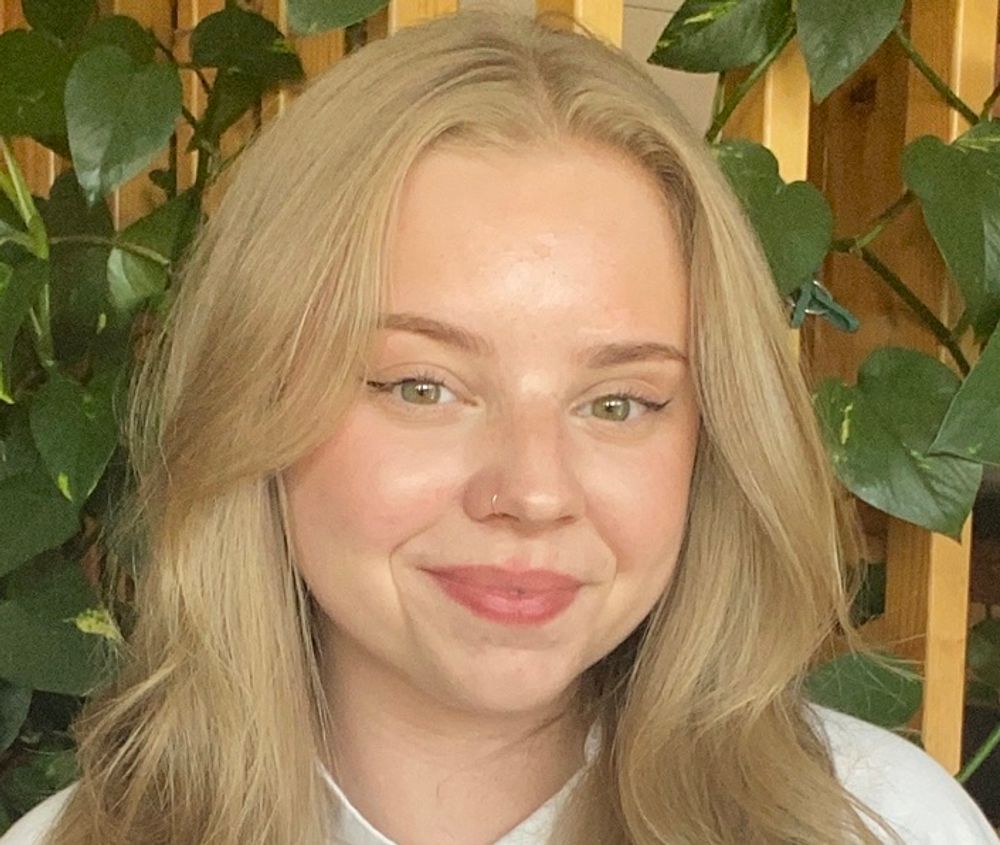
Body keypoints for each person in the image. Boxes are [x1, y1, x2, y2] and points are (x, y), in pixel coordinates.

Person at [2, 7, 997, 845]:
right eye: (421, 385)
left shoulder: (885, 824)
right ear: (252, 400)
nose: (530, 490)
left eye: (617, 403)